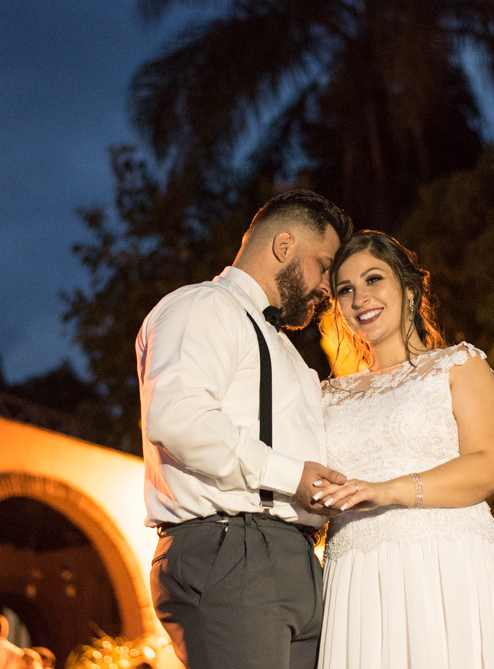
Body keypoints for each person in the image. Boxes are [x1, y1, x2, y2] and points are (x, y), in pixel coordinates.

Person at [138, 190, 354, 669]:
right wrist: (293, 476)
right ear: (283, 245)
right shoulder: (202, 306)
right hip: (232, 552)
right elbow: (178, 417)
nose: (328, 287)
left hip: (295, 561)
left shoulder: (289, 352)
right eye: (323, 265)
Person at [313, 230, 494, 669]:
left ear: (409, 289)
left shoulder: (458, 365)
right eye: (345, 289)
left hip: (446, 565)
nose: (360, 298)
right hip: (357, 579)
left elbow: (491, 467)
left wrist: (388, 490)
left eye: (373, 279)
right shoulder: (327, 395)